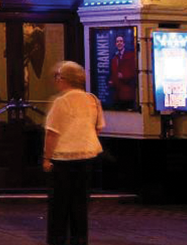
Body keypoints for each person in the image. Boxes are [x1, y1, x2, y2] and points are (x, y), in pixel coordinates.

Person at [44, 61, 104, 245]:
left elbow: (52, 132)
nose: (56, 81)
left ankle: (57, 239)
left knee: (59, 204)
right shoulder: (92, 99)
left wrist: (46, 157)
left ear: (64, 80)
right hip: (87, 157)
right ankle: (79, 239)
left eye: (58, 77)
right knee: (80, 203)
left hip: (63, 159)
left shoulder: (62, 101)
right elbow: (99, 127)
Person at [107, 35, 138, 109]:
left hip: (127, 92)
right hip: (116, 93)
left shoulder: (130, 55)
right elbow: (112, 72)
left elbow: (135, 71)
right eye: (117, 41)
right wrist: (111, 81)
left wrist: (124, 75)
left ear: (124, 43)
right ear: (115, 44)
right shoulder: (114, 57)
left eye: (121, 41)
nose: (119, 43)